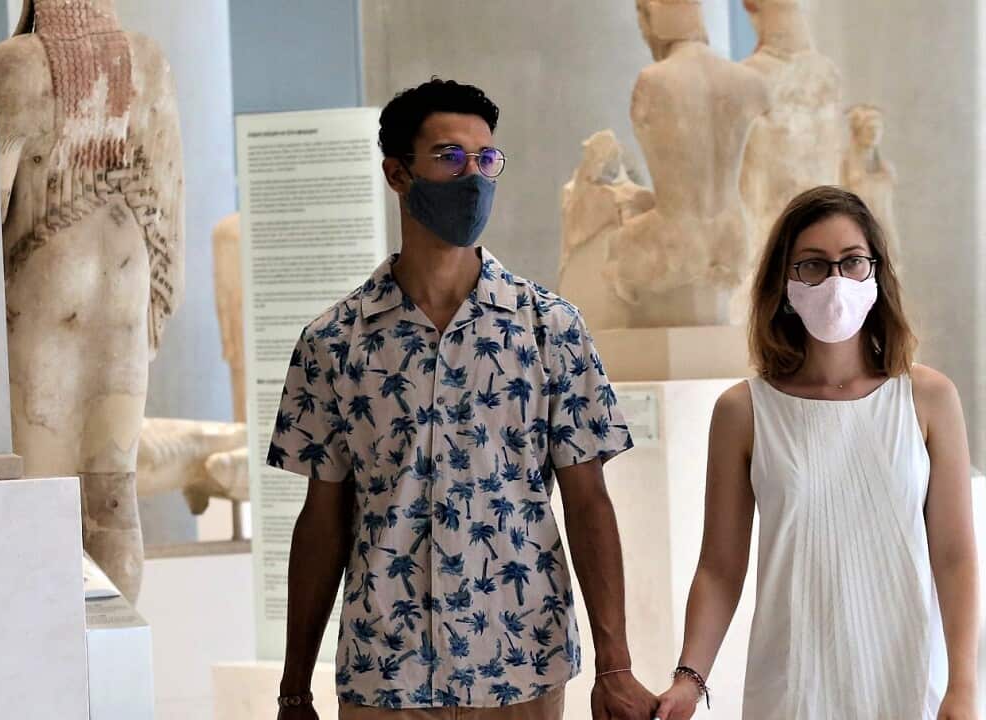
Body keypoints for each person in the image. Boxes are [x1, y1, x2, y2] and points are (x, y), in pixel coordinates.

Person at [268, 79, 658, 720]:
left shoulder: (549, 327)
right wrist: (292, 687)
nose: (472, 176)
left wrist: (615, 666)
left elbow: (589, 501)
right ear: (397, 173)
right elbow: (323, 520)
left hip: (520, 665)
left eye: (486, 160)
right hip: (384, 672)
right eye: (450, 157)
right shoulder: (333, 342)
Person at [655, 186, 980, 720]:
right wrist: (690, 678)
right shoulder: (743, 411)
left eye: (851, 262)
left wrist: (964, 687)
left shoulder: (928, 398)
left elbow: (955, 556)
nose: (835, 281)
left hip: (909, 680)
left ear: (875, 272)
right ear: (784, 282)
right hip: (792, 686)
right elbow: (720, 566)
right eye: (812, 266)